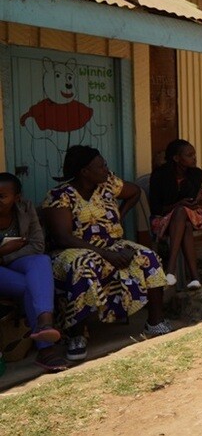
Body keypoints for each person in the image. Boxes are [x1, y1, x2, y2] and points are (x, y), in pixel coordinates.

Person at [42, 146, 171, 362]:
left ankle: (155, 321)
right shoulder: (59, 196)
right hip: (71, 251)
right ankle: (76, 335)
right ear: (85, 171)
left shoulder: (108, 185)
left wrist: (119, 215)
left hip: (111, 245)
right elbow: (63, 237)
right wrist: (104, 253)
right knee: (82, 266)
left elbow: (135, 192)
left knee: (148, 257)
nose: (106, 169)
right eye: (100, 166)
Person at [0, 172, 67, 372]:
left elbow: (38, 245)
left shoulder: (26, 209)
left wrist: (5, 257)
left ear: (16, 197)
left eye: (2, 196)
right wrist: (3, 252)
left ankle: (45, 324)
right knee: (32, 285)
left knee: (41, 260)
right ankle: (46, 349)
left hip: (16, 262)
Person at [149, 139, 202, 290]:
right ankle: (194, 278)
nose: (194, 158)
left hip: (192, 215)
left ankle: (170, 270)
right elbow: (157, 209)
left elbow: (191, 202)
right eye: (189, 155)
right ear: (176, 158)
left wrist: (197, 201)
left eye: (194, 154)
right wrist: (179, 204)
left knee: (182, 212)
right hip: (162, 219)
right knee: (182, 218)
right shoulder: (159, 176)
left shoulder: (196, 174)